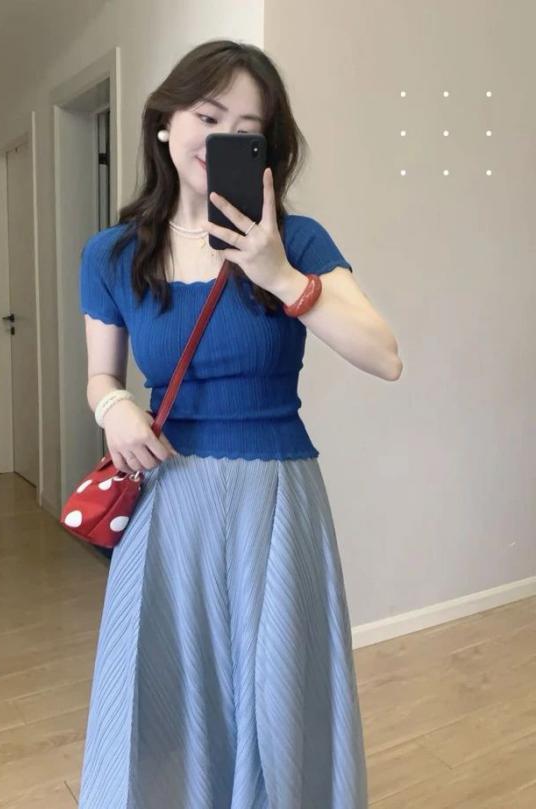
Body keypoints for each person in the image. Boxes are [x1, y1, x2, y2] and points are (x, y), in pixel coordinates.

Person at [77, 38, 400, 809]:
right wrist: (113, 407)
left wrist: (280, 273)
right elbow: (101, 375)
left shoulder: (297, 240)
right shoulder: (112, 254)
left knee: (279, 702)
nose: (220, 136)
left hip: (277, 501)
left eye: (245, 128)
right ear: (165, 121)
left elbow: (384, 355)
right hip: (167, 504)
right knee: (161, 697)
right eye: (207, 114)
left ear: (265, 151)